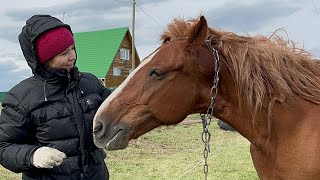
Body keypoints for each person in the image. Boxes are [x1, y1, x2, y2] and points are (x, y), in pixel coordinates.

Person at [0, 15, 111, 179]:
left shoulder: (90, 83)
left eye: (72, 48)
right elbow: (3, 146)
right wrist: (32, 155)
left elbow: (120, 107)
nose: (72, 56)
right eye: (64, 53)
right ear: (44, 59)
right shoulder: (21, 97)